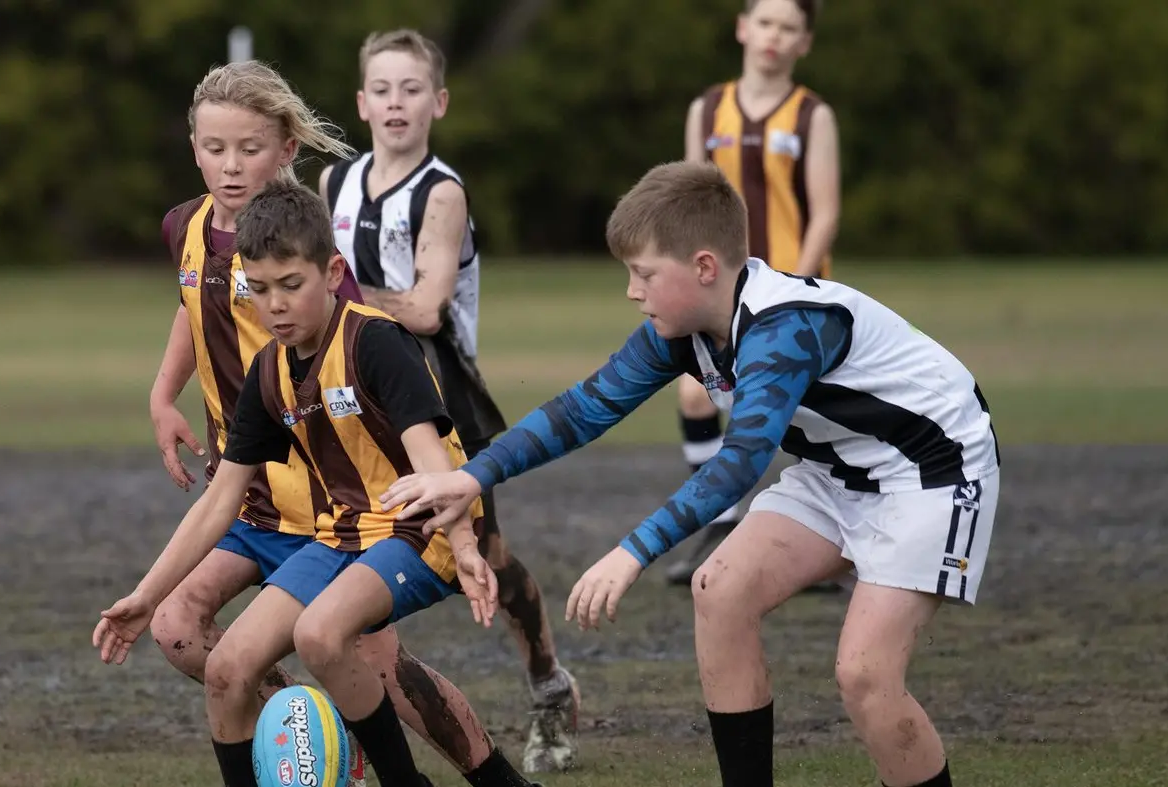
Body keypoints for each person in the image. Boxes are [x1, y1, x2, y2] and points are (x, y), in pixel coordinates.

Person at [381, 161, 1000, 787]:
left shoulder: (784, 327)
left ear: (704, 267)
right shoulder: (685, 328)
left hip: (934, 472)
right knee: (720, 591)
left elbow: (739, 466)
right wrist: (473, 475)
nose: (632, 290)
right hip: (843, 467)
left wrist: (632, 552)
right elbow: (585, 408)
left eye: (644, 273)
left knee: (865, 676)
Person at [130, 60, 533, 785]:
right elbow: (195, 310)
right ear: (192, 146)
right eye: (214, 148)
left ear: (287, 148)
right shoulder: (187, 231)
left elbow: (383, 398)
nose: (230, 165)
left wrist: (462, 534)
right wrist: (165, 394)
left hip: (338, 495)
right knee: (184, 631)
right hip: (251, 487)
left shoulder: (319, 265)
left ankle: (490, 776)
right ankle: (310, 744)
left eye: (248, 148)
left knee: (369, 657)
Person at [317, 28, 579, 773]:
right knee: (345, 546)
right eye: (383, 89)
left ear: (438, 101)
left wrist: (329, 294)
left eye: (411, 90)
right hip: (350, 393)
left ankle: (548, 683)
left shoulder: (441, 191)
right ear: (361, 101)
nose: (396, 103)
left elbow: (428, 309)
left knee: (486, 553)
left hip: (442, 397)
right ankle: (359, 715)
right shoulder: (335, 181)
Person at [666, 0, 843, 586]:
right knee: (695, 396)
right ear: (743, 28)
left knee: (798, 416)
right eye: (765, 22)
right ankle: (722, 521)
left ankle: (826, 543)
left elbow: (824, 211)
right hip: (721, 287)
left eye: (789, 27)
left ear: (804, 43)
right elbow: (689, 198)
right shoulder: (708, 108)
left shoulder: (811, 115)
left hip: (790, 288)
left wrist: (801, 284)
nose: (774, 35)